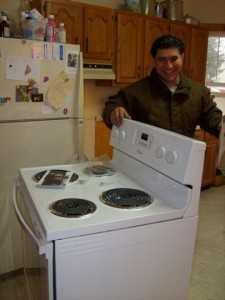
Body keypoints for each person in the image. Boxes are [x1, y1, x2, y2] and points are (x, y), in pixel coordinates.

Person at [102, 34, 222, 138]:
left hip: (186, 160)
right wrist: (114, 111)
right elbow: (111, 107)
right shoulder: (134, 92)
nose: (168, 66)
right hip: (146, 161)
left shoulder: (199, 92)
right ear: (154, 60)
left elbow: (212, 116)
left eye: (174, 59)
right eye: (162, 60)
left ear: (182, 57)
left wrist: (221, 125)